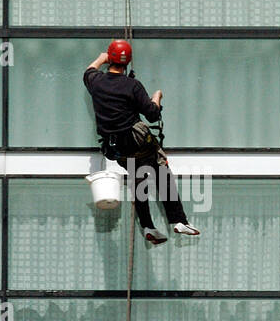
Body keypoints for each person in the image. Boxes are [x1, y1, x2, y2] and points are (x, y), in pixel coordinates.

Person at [83, 40, 200, 244]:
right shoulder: (132, 86)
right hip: (137, 142)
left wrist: (102, 58)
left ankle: (147, 226)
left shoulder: (96, 82)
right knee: (161, 170)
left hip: (115, 149)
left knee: (139, 176)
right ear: (128, 61)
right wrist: (157, 96)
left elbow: (89, 71)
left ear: (109, 59)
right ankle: (178, 220)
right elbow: (152, 115)